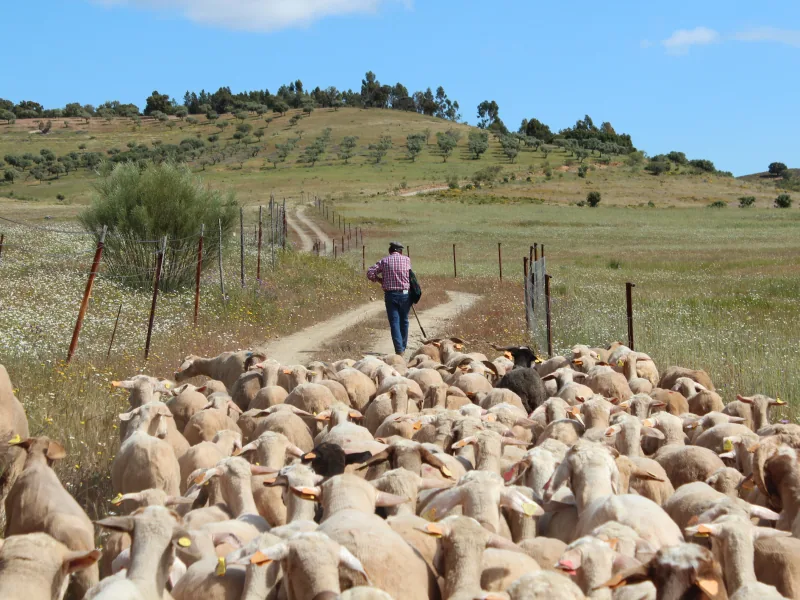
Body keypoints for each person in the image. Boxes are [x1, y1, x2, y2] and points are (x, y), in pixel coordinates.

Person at [367, 241, 412, 355]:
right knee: (404, 321)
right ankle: (403, 346)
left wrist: (379, 279)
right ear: (401, 251)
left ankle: (399, 350)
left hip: (391, 295)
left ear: (390, 251)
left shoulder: (384, 261)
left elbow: (370, 273)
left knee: (394, 322)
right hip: (405, 294)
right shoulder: (407, 260)